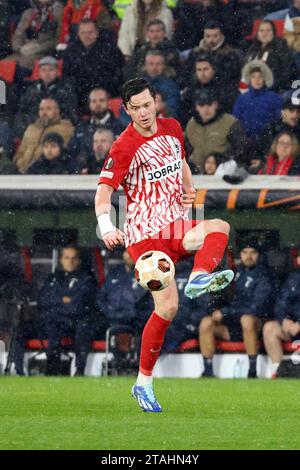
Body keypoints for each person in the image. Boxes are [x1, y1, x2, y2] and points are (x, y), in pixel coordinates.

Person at [94, 78, 234, 412]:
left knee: (219, 228)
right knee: (167, 307)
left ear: (156, 101)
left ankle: (199, 276)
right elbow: (103, 191)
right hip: (144, 237)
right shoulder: (124, 146)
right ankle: (143, 382)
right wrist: (106, 225)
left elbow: (181, 162)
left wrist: (190, 190)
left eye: (147, 104)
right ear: (126, 110)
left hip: (173, 224)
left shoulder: (171, 127)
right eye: (135, 108)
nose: (143, 112)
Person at [199, 240, 273, 378]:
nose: (249, 256)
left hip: (255, 326)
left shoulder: (264, 276)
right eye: (245, 252)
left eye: (253, 253)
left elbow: (256, 307)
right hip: (231, 326)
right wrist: (214, 310)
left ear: (259, 255)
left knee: (247, 320)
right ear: (240, 255)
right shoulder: (232, 274)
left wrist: (226, 312)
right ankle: (208, 371)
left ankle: (252, 371)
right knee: (206, 322)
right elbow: (217, 299)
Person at [39, 245, 97, 376]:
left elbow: (79, 304)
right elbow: (42, 300)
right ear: (61, 259)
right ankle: (52, 371)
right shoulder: (53, 278)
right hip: (56, 320)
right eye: (66, 258)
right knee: (51, 326)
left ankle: (79, 370)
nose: (70, 261)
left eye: (73, 258)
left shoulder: (87, 279)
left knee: (84, 327)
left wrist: (57, 302)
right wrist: (62, 299)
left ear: (79, 261)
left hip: (77, 321)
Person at [185, 89, 249, 174]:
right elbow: (185, 149)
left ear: (216, 105)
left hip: (223, 173)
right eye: (201, 105)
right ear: (196, 107)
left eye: (209, 104)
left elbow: (241, 148)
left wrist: (228, 164)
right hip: (196, 174)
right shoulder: (191, 125)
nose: (206, 109)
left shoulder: (229, 122)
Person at [14, 56, 78, 138]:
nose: (47, 74)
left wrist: (46, 122)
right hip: (32, 128)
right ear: (39, 72)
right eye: (43, 70)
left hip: (55, 130)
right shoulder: (32, 89)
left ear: (57, 72)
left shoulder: (65, 89)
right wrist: (33, 124)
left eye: (51, 70)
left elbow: (68, 113)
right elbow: (23, 110)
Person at [13, 98, 74, 173]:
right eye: (41, 109)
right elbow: (20, 152)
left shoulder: (66, 128)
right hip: (22, 173)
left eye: (48, 109)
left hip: (45, 172)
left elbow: (61, 152)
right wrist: (19, 162)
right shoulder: (31, 128)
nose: (44, 112)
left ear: (57, 111)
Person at [263, 252, 300, 379]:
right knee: (270, 328)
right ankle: (278, 371)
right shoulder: (292, 278)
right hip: (291, 327)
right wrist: (284, 320)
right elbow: (280, 304)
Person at [233, 61, 283, 143]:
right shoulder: (242, 99)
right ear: (249, 78)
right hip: (246, 142)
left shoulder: (273, 97)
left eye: (260, 76)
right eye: (253, 77)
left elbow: (278, 119)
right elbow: (236, 120)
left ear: (265, 79)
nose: (257, 80)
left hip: (268, 141)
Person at [244, 20, 296, 93]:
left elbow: (287, 73)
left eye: (268, 30)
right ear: (257, 34)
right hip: (252, 89)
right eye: (261, 30)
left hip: (275, 90)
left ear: (273, 33)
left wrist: (269, 86)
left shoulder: (281, 48)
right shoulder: (252, 50)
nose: (264, 33)